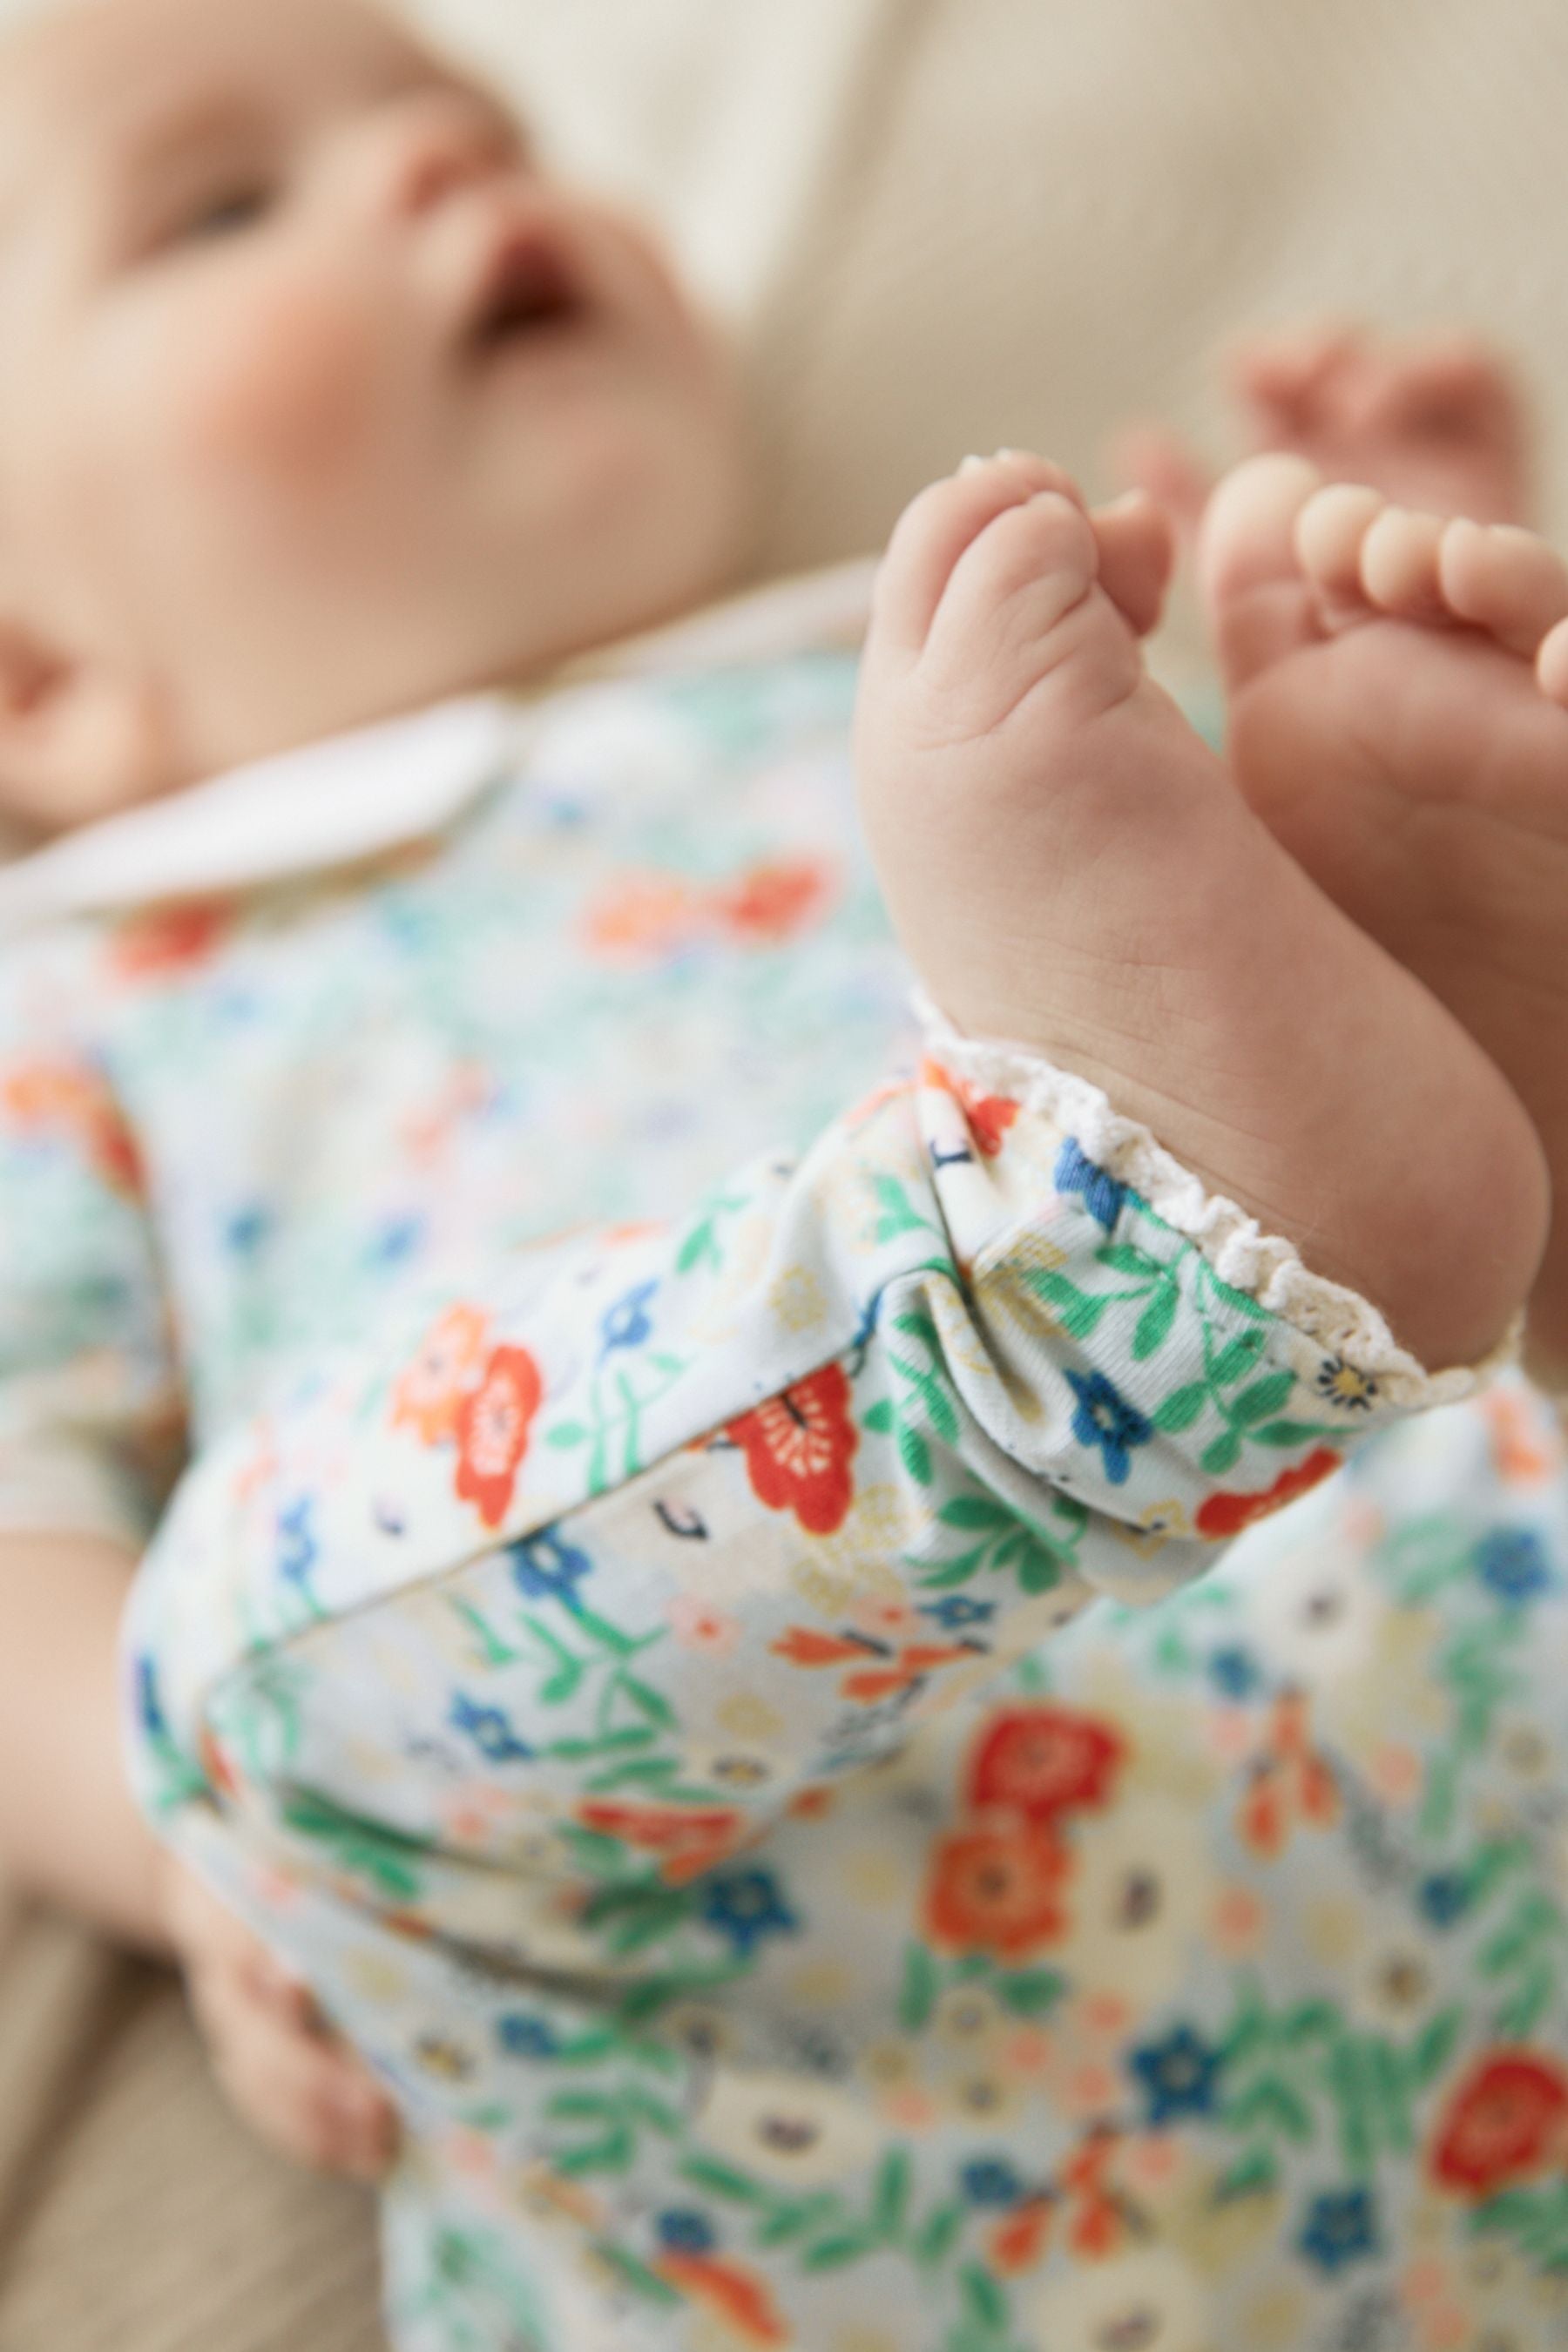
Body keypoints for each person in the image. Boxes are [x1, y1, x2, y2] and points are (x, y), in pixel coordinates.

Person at [0, 0, 1565, 2342]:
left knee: (1317, 1121)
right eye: (228, 206)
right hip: (777, 2014)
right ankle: (1080, 1289)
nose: (443, 173)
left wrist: (1418, 629)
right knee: (243, 1671)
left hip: (1466, 1660)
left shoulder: (948, 684)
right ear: (35, 678)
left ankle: (1372, 1139)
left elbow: (1336, 1123)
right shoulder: (94, 991)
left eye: (476, 122)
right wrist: (189, 1849)